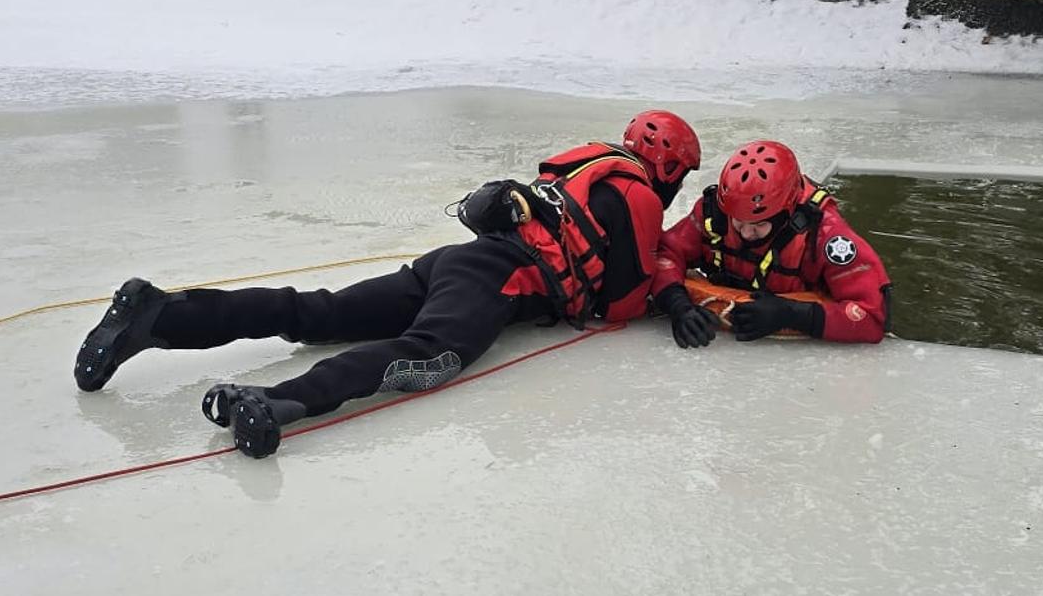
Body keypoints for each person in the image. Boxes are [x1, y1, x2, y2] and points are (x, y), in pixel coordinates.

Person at [71, 111, 703, 457]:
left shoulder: (587, 160)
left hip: (453, 261)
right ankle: (277, 402)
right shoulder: (641, 195)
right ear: (672, 168)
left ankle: (159, 316)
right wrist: (669, 291)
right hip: (502, 282)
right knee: (427, 356)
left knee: (313, 313)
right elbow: (620, 308)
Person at [650, 140, 891, 349]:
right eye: (738, 222)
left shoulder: (825, 235)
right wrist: (678, 305)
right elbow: (666, 252)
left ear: (785, 213)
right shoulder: (714, 214)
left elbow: (871, 317)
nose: (745, 233)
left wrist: (792, 314)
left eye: (757, 225)